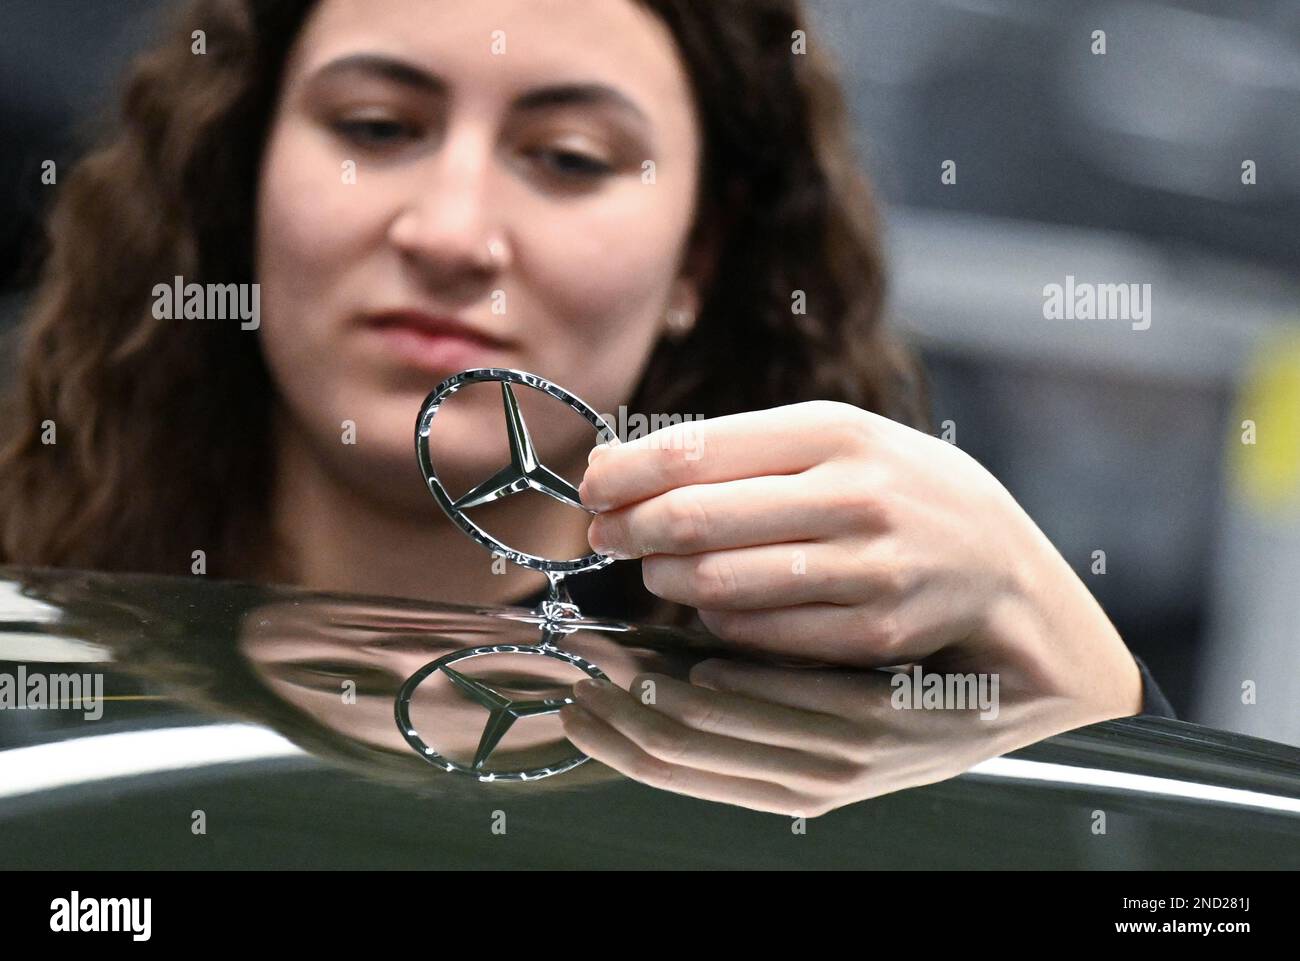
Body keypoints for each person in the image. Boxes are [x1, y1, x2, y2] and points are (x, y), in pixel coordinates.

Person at [0, 0, 1173, 816]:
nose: (452, 232)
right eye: (375, 128)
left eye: (567, 156)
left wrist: (1068, 667)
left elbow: (1183, 903)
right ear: (239, 179)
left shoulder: (854, 749)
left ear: (696, 262)